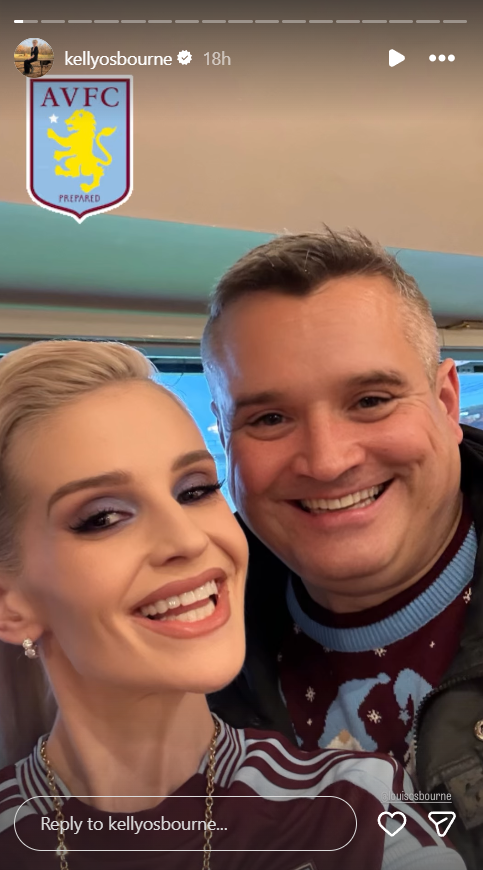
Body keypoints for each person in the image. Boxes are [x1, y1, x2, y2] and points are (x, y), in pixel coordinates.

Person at [0, 339, 458, 870]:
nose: (189, 541)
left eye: (195, 490)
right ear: (11, 605)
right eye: (103, 517)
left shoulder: (356, 811)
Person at [201, 229, 483, 870]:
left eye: (371, 401)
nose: (327, 462)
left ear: (445, 402)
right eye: (269, 419)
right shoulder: (183, 660)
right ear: (225, 438)